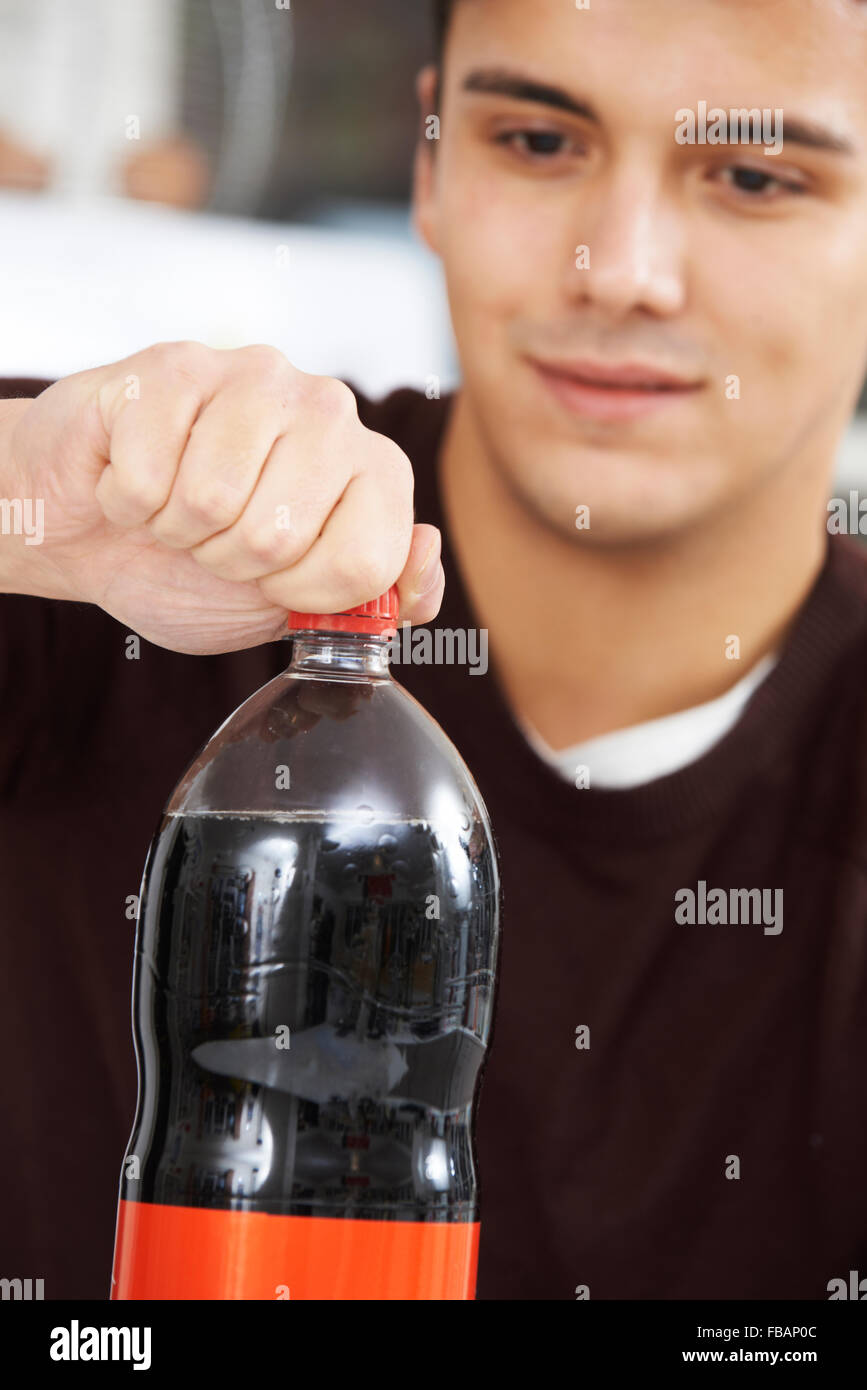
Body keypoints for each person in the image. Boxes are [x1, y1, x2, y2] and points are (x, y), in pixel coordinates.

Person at [2, 0, 867, 1300]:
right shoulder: (122, 561)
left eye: (753, 175)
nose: (620, 267)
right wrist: (28, 504)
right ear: (430, 164)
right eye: (535, 139)